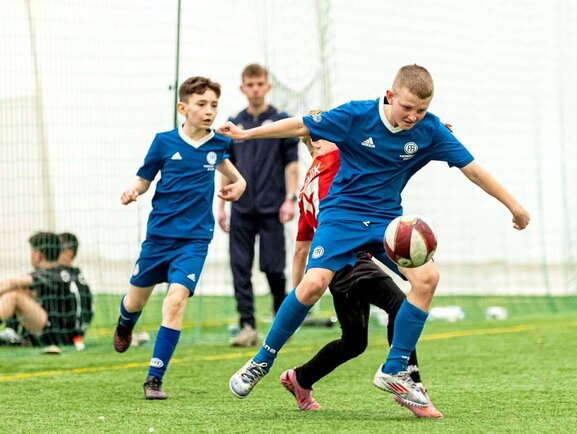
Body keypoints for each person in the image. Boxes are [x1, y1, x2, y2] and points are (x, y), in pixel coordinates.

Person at [219, 64, 530, 407]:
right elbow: (299, 125)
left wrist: (514, 207)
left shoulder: (430, 130)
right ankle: (261, 361)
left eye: (421, 110)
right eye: (407, 107)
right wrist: (246, 135)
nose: (413, 117)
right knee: (313, 284)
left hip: (386, 222)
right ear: (390, 96)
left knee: (427, 279)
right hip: (342, 216)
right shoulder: (356, 115)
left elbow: (473, 170)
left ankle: (394, 369)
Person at [280, 132, 442, 418]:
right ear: (317, 143)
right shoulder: (335, 164)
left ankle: (300, 378)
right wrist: (425, 137)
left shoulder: (307, 187)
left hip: (333, 266)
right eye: (336, 133)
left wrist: (301, 299)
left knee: (354, 342)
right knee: (399, 305)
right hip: (350, 260)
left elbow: (300, 249)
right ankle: (410, 383)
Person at [112, 76, 247, 400]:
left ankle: (154, 379)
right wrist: (133, 190)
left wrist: (240, 184)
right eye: (202, 104)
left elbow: (232, 173)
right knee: (134, 302)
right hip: (159, 238)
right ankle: (125, 324)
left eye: (214, 105)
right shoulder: (163, 142)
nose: (209, 111)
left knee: (175, 300)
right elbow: (144, 179)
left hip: (194, 240)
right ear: (183, 108)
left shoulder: (218, 143)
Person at [218, 63, 299, 347]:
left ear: (267, 86)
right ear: (242, 88)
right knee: (240, 268)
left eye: (259, 84)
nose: (255, 89)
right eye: (250, 85)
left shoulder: (280, 121)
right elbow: (225, 165)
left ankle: (281, 319)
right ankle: (247, 326)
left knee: (273, 267)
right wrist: (221, 207)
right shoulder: (233, 122)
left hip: (272, 207)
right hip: (240, 209)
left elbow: (292, 164)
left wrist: (290, 199)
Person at [0, 232, 77, 351]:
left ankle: (12, 332)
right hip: (55, 331)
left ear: (38, 255)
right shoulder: (60, 273)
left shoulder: (56, 274)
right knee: (18, 291)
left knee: (14, 296)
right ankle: (11, 331)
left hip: (59, 336)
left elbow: (12, 282)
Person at [58, 232, 93, 350]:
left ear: (68, 253)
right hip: (79, 333)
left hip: (63, 333)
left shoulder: (60, 274)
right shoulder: (78, 275)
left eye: (56, 249)